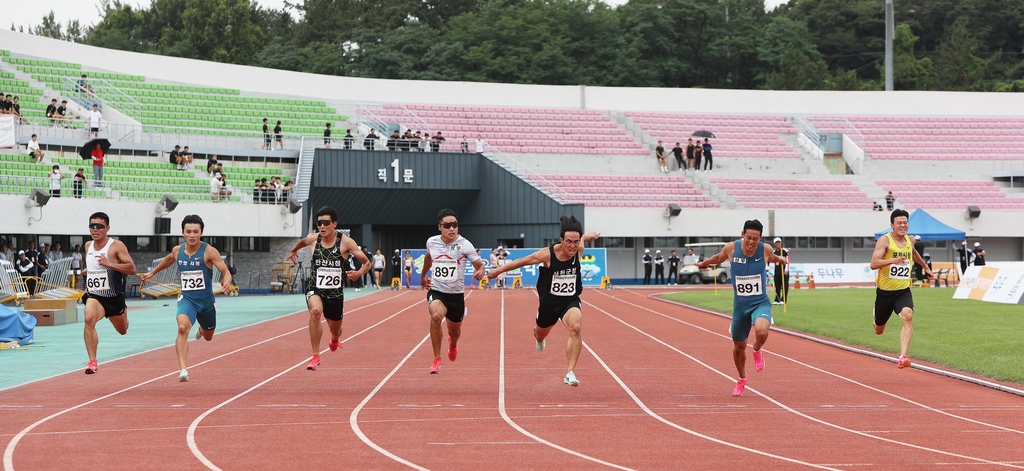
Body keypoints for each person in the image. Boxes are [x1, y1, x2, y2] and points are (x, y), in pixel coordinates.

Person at [488, 214, 600, 387]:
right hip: (549, 304)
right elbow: (523, 261)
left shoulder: (579, 248)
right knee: (540, 333)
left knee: (576, 328)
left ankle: (570, 372)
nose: (572, 245)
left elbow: (582, 239)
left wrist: (587, 236)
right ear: (561, 240)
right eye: (569, 241)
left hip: (569, 301)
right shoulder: (548, 254)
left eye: (576, 241)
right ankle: (539, 339)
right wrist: (497, 271)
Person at [697, 219, 787, 396]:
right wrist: (705, 262)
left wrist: (781, 259)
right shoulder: (731, 248)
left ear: (760, 238)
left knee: (761, 331)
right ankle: (742, 378)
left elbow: (774, 258)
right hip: (740, 306)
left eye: (755, 238)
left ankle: (757, 350)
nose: (751, 242)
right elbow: (718, 257)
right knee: (738, 347)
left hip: (760, 302)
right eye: (748, 237)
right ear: (742, 235)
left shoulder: (765, 249)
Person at [139, 215, 232, 382]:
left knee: (209, 335)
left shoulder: (209, 251)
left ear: (201, 233)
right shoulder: (178, 250)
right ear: (183, 232)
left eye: (196, 232)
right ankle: (183, 369)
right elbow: (168, 259)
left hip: (206, 302)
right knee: (182, 328)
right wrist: (153, 272)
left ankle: (202, 329)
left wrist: (226, 281)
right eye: (188, 231)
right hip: (187, 299)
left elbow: (225, 271)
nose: (192, 235)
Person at [285, 206, 370, 371]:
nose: (322, 226)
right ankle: (315, 356)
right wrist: (294, 250)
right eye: (319, 223)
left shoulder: (345, 242)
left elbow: (367, 263)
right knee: (315, 311)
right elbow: (302, 242)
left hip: (335, 294)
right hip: (315, 286)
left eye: (326, 223)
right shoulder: (313, 239)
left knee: (335, 329)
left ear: (334, 224)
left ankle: (335, 338)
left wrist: (359, 273)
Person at [420, 209, 486, 374]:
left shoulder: (465, 244)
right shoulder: (432, 242)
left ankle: (453, 345)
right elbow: (429, 257)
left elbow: (479, 265)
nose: (451, 229)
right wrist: (423, 275)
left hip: (456, 296)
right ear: (440, 227)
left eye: (454, 225)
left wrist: (481, 271)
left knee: (454, 332)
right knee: (436, 317)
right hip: (437, 291)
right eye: (447, 225)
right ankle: (437, 359)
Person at [870, 209, 933, 370]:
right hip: (884, 293)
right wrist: (892, 261)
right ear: (892, 225)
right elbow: (873, 264)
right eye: (899, 222)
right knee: (879, 330)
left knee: (908, 316)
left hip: (903, 291)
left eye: (905, 222)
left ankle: (903, 356)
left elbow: (914, 253)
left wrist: (925, 267)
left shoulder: (910, 240)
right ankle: (876, 319)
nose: (903, 225)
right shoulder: (884, 241)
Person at [81, 212, 136, 374]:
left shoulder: (116, 246)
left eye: (99, 226)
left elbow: (131, 269)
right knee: (89, 319)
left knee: (122, 330)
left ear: (107, 228)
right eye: (92, 226)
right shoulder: (87, 246)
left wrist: (108, 264)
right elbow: (94, 265)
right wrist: (89, 270)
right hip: (95, 295)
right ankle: (92, 361)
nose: (95, 229)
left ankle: (124, 311)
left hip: (113, 297)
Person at [772, 237, 789, 305]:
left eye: (779, 242)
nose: (778, 244)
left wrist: (786, 269)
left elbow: (788, 260)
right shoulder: (774, 252)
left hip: (783, 271)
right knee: (777, 285)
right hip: (777, 271)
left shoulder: (784, 251)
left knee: (784, 285)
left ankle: (784, 299)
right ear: (774, 244)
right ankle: (777, 299)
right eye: (777, 243)